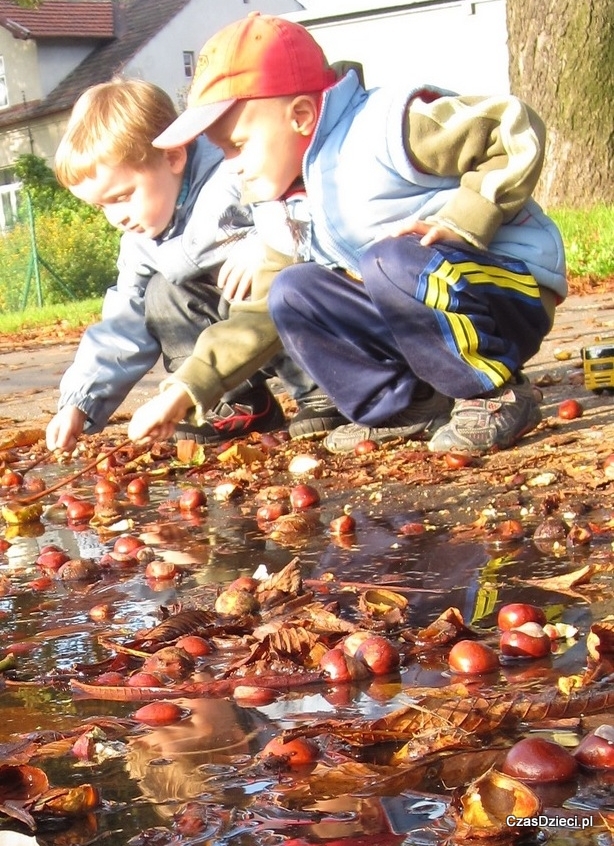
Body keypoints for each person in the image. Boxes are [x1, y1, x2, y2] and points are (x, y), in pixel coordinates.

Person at [152, 12, 567, 455]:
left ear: (301, 115)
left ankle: (494, 394)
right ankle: (405, 407)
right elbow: (256, 318)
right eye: (221, 151)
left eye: (238, 144)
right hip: (418, 307)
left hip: (504, 290)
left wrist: (465, 221)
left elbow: (510, 127)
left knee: (387, 260)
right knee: (292, 290)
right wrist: (188, 386)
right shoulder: (280, 208)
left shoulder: (387, 128)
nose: (231, 164)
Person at [45, 78, 344, 452]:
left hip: (281, 315)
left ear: (172, 157)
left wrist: (265, 243)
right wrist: (79, 401)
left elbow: (296, 207)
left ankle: (323, 390)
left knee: (283, 279)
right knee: (161, 294)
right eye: (102, 206)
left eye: (122, 197)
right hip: (228, 345)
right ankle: (236, 401)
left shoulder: (233, 173)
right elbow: (122, 324)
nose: (116, 217)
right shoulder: (140, 242)